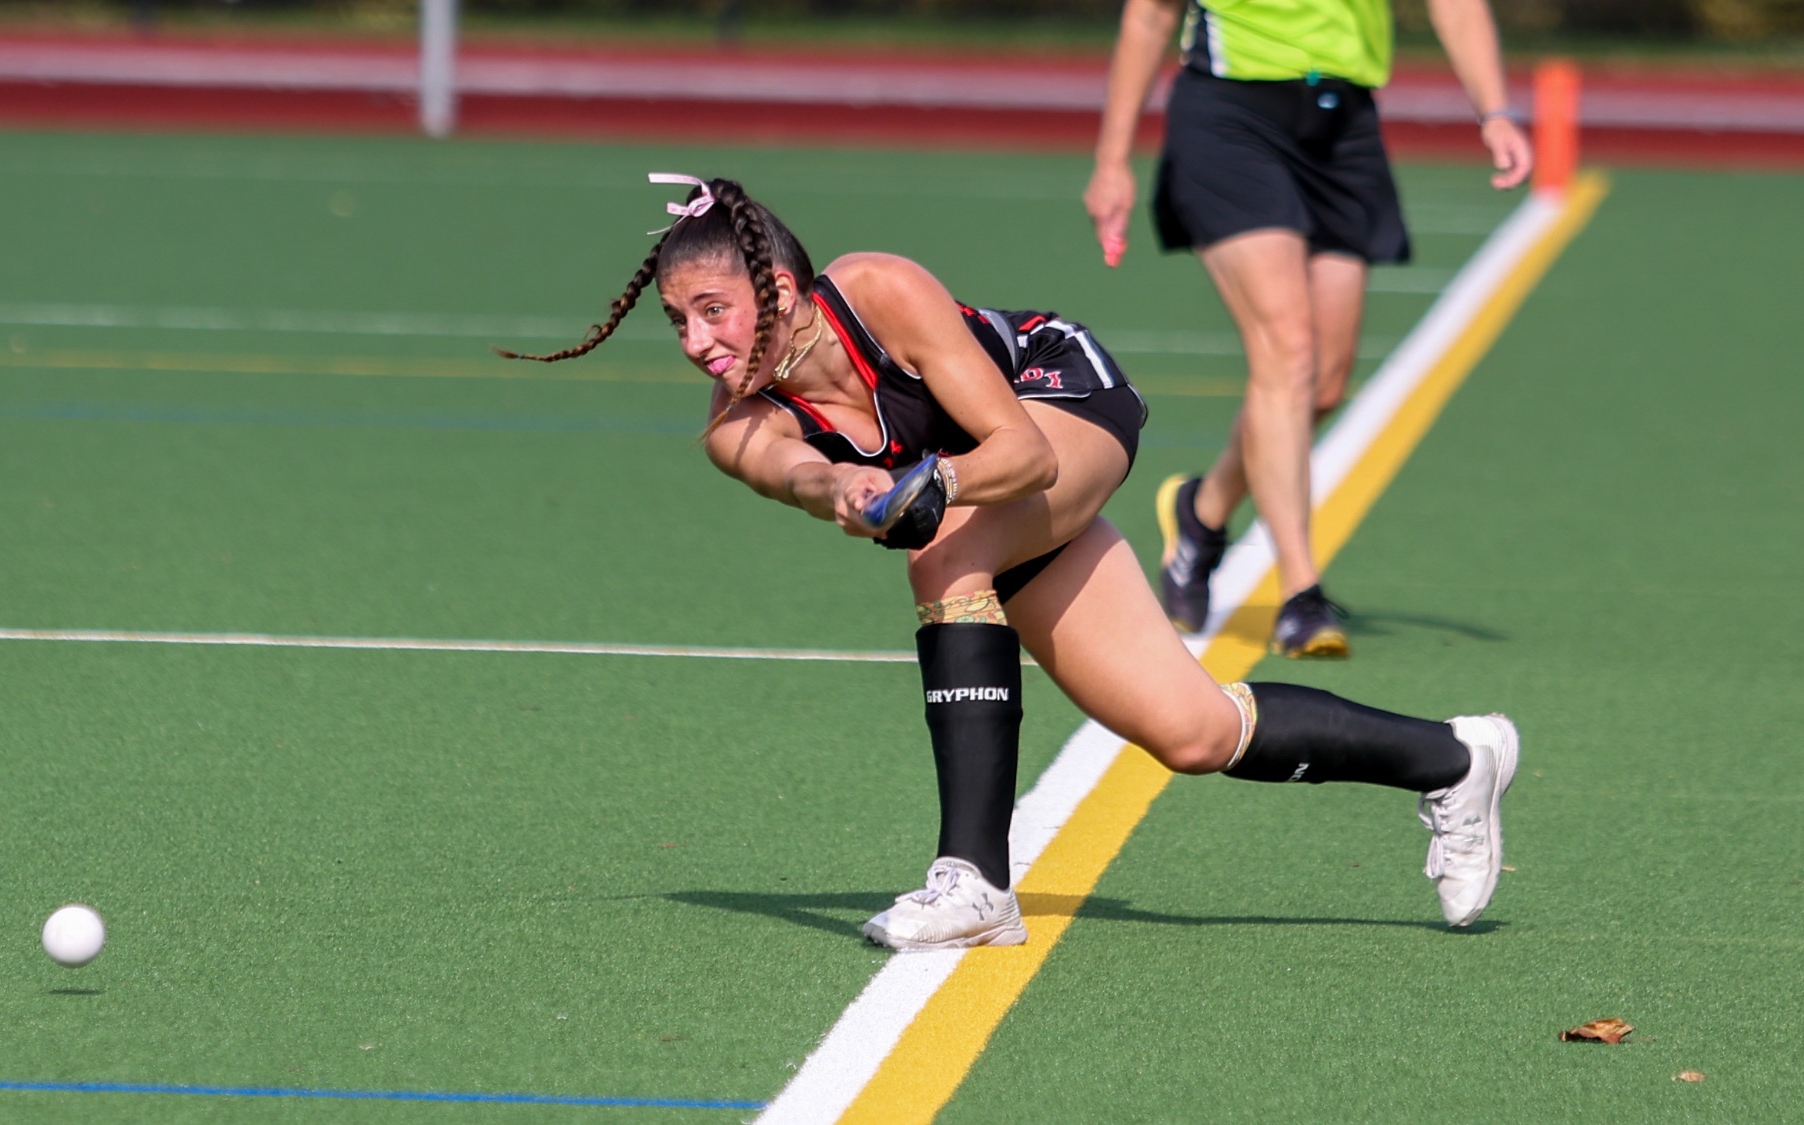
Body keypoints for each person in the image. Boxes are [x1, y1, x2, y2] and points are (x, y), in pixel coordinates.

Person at [500, 174, 1517, 951]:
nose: (695, 340)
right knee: (1193, 732)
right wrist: (844, 488)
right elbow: (802, 475)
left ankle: (976, 882)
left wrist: (929, 483)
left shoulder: (877, 289)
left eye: (712, 309)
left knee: (944, 557)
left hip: (1059, 400)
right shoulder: (737, 427)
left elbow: (1022, 456)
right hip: (993, 509)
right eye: (676, 320)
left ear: (775, 289)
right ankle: (1455, 759)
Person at [1085, 0, 1534, 657]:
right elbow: (1150, 15)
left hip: (1342, 123)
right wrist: (1112, 159)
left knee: (1321, 384)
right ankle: (1301, 592)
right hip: (1230, 118)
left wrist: (1494, 112)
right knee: (1287, 351)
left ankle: (1202, 511)